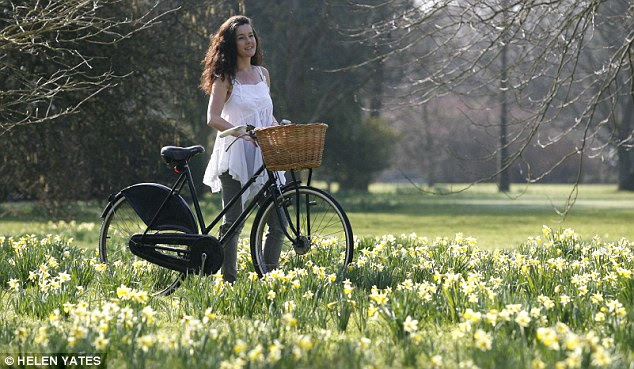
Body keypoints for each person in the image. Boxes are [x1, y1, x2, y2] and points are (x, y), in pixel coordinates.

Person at [200, 15, 285, 283]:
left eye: (251, 36)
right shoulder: (224, 78)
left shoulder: (263, 74)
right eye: (241, 37)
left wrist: (279, 127)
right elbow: (212, 117)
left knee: (278, 222)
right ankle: (229, 282)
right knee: (233, 224)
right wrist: (243, 132)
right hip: (235, 154)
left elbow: (265, 115)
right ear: (230, 44)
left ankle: (268, 277)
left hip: (264, 155)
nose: (249, 41)